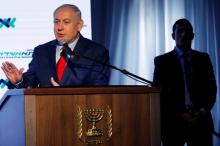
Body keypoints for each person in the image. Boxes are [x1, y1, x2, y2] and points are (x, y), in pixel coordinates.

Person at [1, 4, 110, 88]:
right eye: (56, 22)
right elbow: (31, 83)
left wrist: (66, 95)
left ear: (79, 25)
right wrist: (19, 81)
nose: (59, 27)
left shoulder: (96, 52)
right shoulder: (41, 51)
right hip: (45, 113)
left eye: (66, 22)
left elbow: (99, 88)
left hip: (80, 114)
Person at [153, 18, 217, 146]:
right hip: (173, 122)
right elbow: (159, 94)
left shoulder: (203, 59)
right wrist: (180, 114)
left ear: (192, 36)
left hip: (201, 121)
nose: (184, 34)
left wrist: (202, 111)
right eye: (180, 31)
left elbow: (211, 89)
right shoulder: (162, 61)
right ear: (173, 35)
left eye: (187, 31)